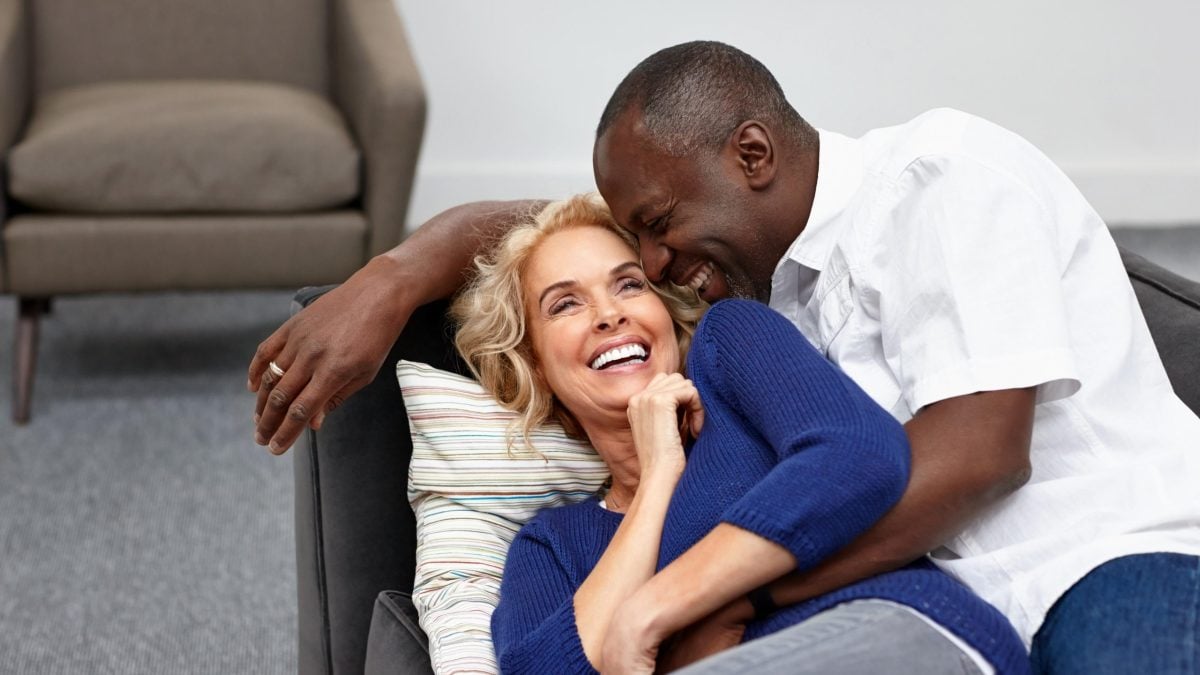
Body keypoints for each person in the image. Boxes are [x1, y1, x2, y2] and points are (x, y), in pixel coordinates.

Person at [250, 42, 1200, 673]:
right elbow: (564, 239)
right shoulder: (761, 290)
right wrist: (399, 270)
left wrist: (689, 604)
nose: (652, 275)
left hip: (1106, 560)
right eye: (631, 260)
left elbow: (976, 455)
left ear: (753, 154)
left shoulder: (938, 182)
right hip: (954, 593)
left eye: (651, 245)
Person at [455, 193, 1026, 674]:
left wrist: (651, 610)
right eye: (566, 304)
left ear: (665, 309)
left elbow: (856, 452)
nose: (609, 314)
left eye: (629, 286)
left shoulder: (730, 350)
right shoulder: (553, 544)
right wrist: (657, 477)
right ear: (533, 364)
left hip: (902, 634)